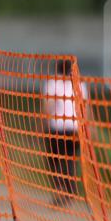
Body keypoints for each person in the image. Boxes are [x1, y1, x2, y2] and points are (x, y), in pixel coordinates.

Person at [41, 59, 86, 207]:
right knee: (69, 160)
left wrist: (43, 126)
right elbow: (85, 108)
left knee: (55, 161)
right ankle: (69, 189)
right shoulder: (80, 84)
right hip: (75, 128)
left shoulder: (53, 83)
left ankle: (61, 189)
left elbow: (47, 106)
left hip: (57, 128)